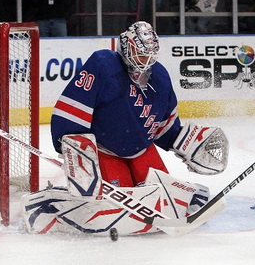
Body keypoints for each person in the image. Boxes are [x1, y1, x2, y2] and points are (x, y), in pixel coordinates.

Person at [20, 21, 229, 236]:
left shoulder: (161, 77)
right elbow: (72, 109)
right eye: (140, 55)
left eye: (150, 56)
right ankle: (51, 203)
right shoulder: (103, 65)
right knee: (119, 202)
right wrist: (75, 149)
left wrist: (185, 143)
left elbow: (163, 125)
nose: (145, 62)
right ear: (127, 48)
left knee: (160, 198)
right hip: (105, 150)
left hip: (142, 149)